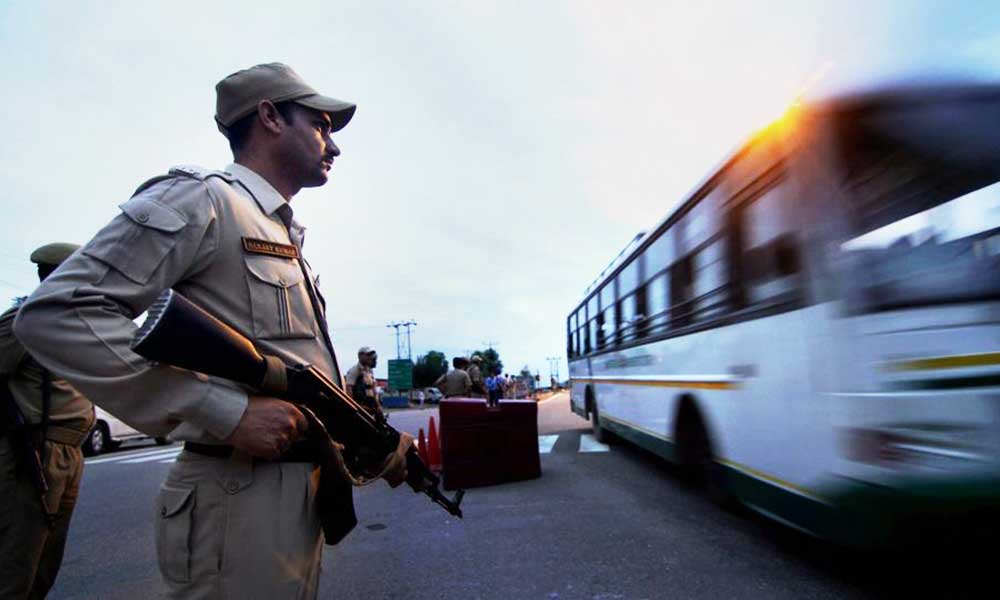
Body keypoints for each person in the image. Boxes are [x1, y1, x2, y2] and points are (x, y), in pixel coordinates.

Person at [14, 63, 413, 599]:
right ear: (269, 117)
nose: (333, 145)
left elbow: (298, 378)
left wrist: (378, 447)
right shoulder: (203, 200)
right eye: (320, 124)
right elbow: (57, 312)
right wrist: (226, 412)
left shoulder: (277, 230)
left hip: (288, 496)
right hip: (235, 496)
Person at [1, 243, 94, 600]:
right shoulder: (27, 319)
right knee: (15, 570)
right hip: (36, 451)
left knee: (43, 570)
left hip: (68, 452)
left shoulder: (73, 320)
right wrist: (17, 434)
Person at [344, 346, 381, 416]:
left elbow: (373, 390)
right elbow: (349, 391)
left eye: (370, 355)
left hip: (371, 407)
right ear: (360, 356)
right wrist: (355, 407)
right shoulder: (354, 371)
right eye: (367, 355)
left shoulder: (369, 371)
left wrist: (378, 406)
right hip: (360, 408)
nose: (369, 357)